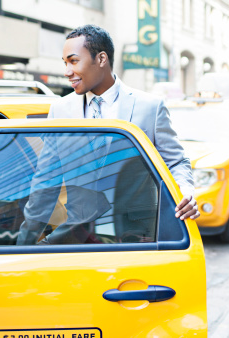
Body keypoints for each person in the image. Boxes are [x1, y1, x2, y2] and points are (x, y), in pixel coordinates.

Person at [50, 24, 199, 221]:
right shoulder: (59, 110)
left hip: (136, 230)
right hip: (78, 231)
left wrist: (186, 190)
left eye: (74, 61)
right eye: (65, 63)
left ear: (101, 59)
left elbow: (176, 161)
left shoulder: (150, 107)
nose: (67, 72)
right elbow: (47, 176)